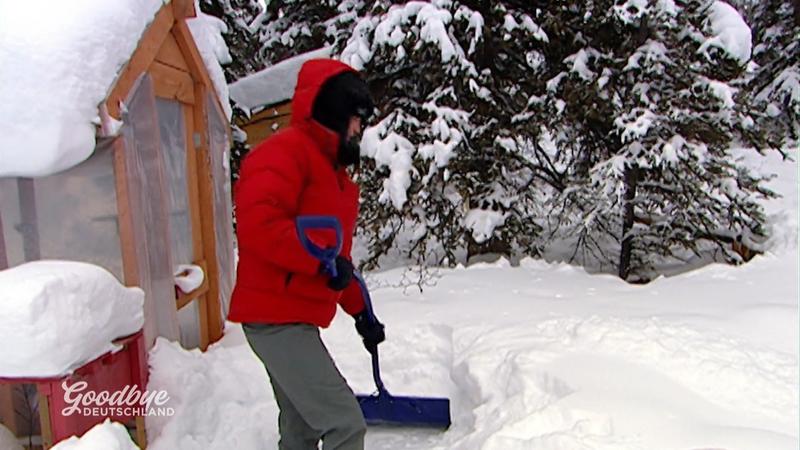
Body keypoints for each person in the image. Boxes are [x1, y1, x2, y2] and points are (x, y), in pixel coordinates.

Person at [227, 58, 386, 450]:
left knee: (300, 431)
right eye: (355, 118)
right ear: (333, 109)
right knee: (344, 425)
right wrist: (321, 262)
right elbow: (259, 225)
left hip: (290, 318)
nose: (359, 129)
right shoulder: (283, 154)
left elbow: (337, 259)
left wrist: (360, 312)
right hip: (275, 318)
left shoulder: (335, 178)